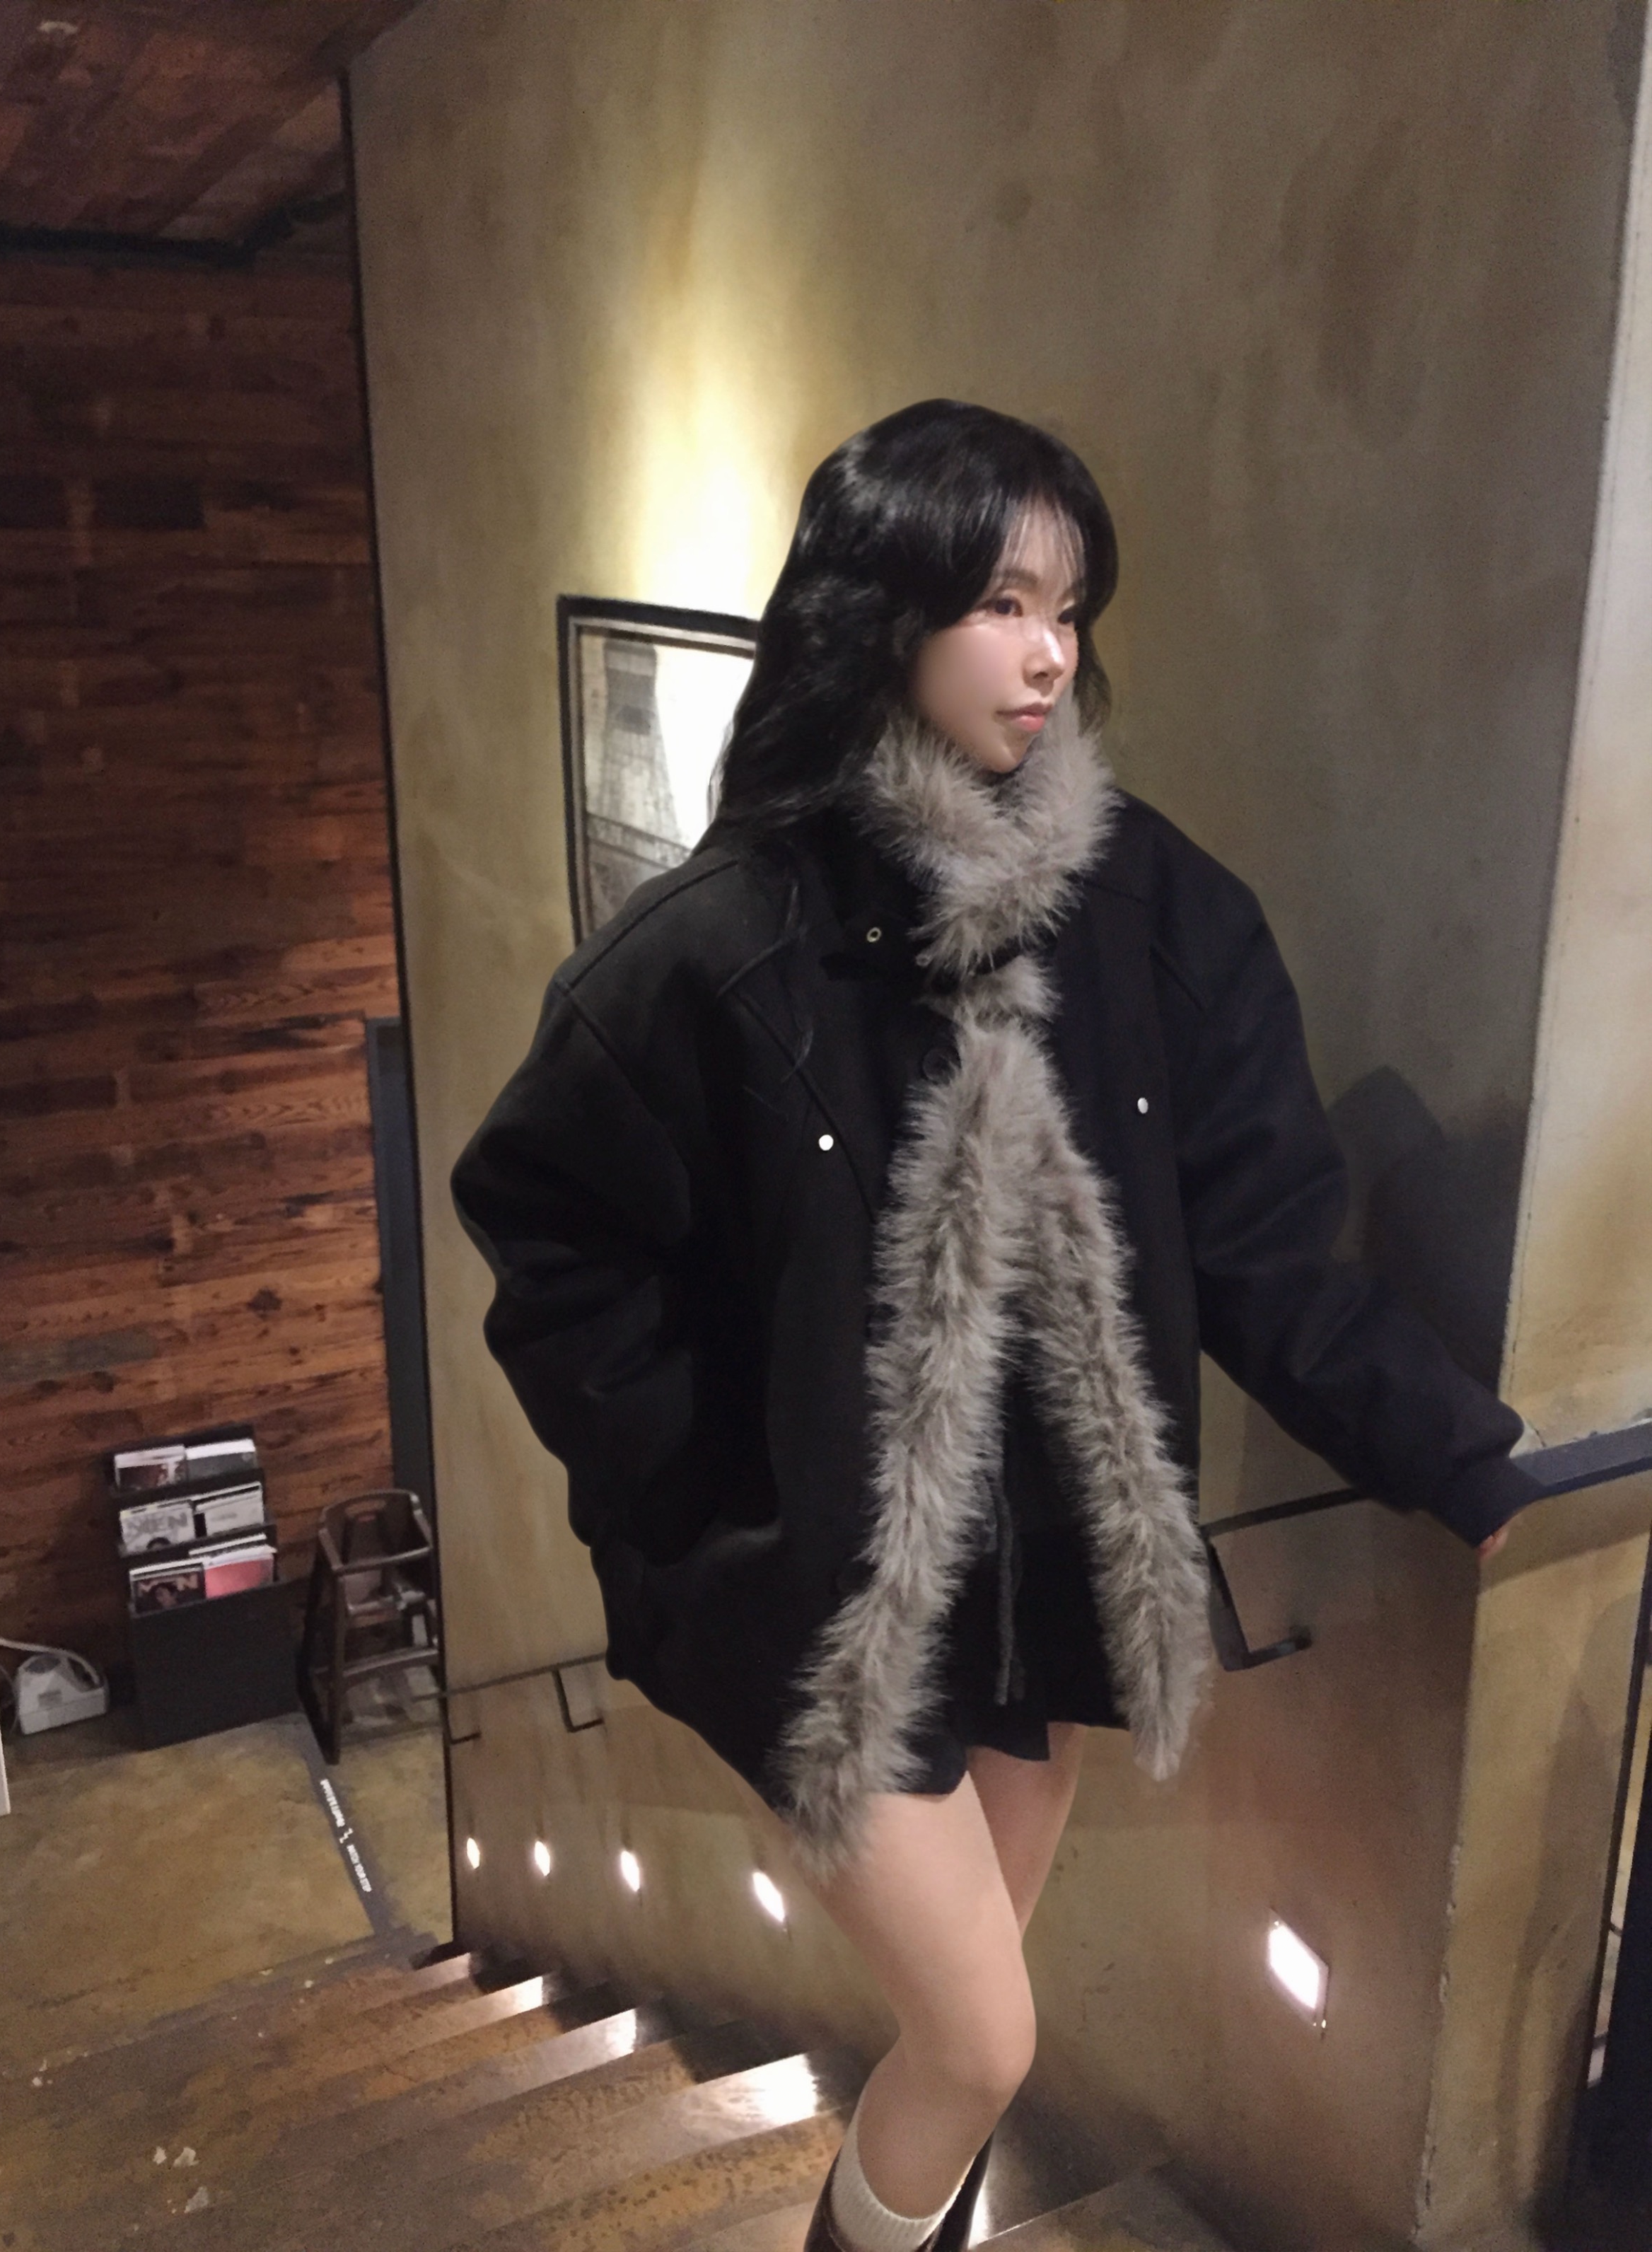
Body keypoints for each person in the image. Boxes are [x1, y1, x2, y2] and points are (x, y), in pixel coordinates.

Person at [450, 400, 1541, 2252]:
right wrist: (714, 1501)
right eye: (1001, 604)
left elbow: (1263, 1244)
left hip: (1035, 1563)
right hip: (824, 1604)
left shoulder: (1150, 908)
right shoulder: (716, 947)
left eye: (1068, 609)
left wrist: (1464, 1458)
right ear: (877, 616)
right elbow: (549, 1227)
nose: (1048, 655)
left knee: (971, 2025)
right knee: (984, 2034)